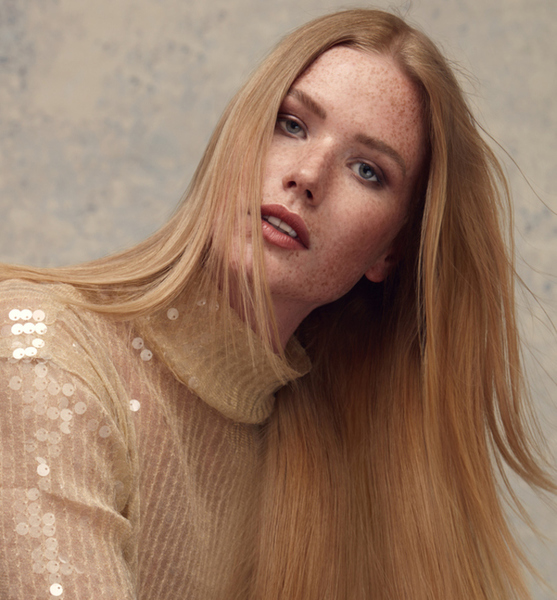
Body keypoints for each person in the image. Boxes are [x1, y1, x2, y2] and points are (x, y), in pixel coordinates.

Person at [0, 8, 553, 600]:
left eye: (367, 170)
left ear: (390, 253)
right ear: (237, 136)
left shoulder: (331, 464)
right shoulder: (44, 358)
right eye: (291, 124)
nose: (308, 175)